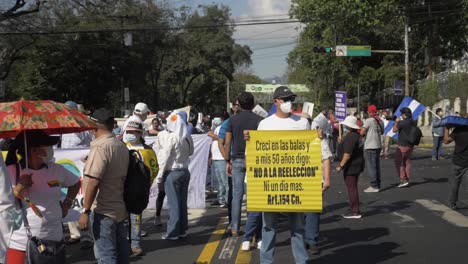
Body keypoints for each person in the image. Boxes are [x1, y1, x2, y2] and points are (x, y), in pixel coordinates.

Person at [247, 86, 309, 263]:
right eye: (285, 99)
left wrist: (317, 137)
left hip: (296, 183)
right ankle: (266, 261)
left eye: (291, 99)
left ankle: (301, 260)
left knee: (297, 226)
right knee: (269, 227)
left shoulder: (302, 123)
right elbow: (257, 153)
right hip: (271, 183)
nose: (289, 102)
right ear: (276, 102)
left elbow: (310, 150)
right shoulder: (265, 124)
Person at [5, 130, 81, 263]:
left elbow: (75, 183)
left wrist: (67, 204)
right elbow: (4, 203)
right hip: (21, 242)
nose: (51, 150)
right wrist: (19, 188)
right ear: (34, 150)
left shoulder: (56, 169)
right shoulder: (10, 171)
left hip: (55, 241)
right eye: (47, 146)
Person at [79, 108, 130, 264]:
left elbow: (94, 181)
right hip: (119, 209)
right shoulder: (120, 145)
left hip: (103, 212)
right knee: (121, 256)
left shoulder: (100, 147)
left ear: (96, 125)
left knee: (106, 257)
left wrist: (85, 211)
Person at [224, 92, 263, 237]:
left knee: (237, 196)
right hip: (255, 160)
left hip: (237, 160)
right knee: (254, 196)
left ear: (238, 104)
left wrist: (228, 160)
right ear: (253, 104)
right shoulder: (260, 120)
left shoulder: (232, 121)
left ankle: (235, 228)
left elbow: (227, 142)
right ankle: (253, 230)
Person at [61, 100, 94, 249]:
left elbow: (91, 144)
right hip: (66, 166)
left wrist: (87, 156)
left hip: (80, 167)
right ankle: (74, 234)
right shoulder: (60, 125)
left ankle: (87, 236)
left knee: (83, 198)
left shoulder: (83, 127)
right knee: (67, 199)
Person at [155, 112, 193, 240]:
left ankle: (172, 232)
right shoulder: (187, 136)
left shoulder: (172, 137)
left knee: (173, 204)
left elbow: (164, 157)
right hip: (185, 171)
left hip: (172, 172)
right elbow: (191, 151)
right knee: (182, 202)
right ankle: (182, 229)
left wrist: (159, 176)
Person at [123, 119, 158, 256]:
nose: (130, 134)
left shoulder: (148, 150)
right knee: (122, 219)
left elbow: (155, 168)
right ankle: (123, 243)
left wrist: (145, 184)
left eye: (133, 132)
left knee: (136, 218)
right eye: (128, 132)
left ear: (140, 133)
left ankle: (135, 244)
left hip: (139, 191)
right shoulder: (121, 147)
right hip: (121, 189)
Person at [305, 114, 332, 255]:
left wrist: (327, 178)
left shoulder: (318, 138)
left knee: (312, 211)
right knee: (302, 212)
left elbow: (326, 158)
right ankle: (305, 238)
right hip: (298, 181)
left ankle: (311, 241)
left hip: (315, 180)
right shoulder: (291, 137)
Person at [336, 115, 364, 219]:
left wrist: (340, 165)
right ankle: (354, 207)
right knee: (353, 187)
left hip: (352, 165)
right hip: (357, 164)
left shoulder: (351, 137)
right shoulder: (355, 136)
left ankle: (355, 211)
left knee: (352, 188)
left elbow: (347, 154)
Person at [360, 105, 384, 192]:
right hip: (378, 145)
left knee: (371, 166)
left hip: (370, 145)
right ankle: (377, 184)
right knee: (376, 166)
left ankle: (374, 186)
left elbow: (362, 132)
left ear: (369, 112)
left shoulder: (369, 120)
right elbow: (382, 132)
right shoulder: (380, 121)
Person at [444, 124, 468, 209]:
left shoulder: (458, 129)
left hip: (458, 160)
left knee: (455, 182)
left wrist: (446, 129)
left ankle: (452, 203)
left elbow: (446, 141)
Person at [208, 114, 230, 207]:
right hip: (216, 157)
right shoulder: (216, 128)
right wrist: (211, 156)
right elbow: (213, 144)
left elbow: (224, 139)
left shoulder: (225, 127)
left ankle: (227, 199)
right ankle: (220, 198)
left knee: (225, 181)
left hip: (221, 157)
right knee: (219, 181)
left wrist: (212, 135)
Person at [392, 107, 415, 188]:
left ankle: (403, 180)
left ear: (405, 114)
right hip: (410, 145)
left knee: (399, 162)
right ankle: (407, 179)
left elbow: (394, 130)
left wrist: (396, 122)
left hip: (402, 145)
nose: (401, 115)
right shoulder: (412, 121)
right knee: (407, 162)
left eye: (402, 114)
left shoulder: (403, 122)